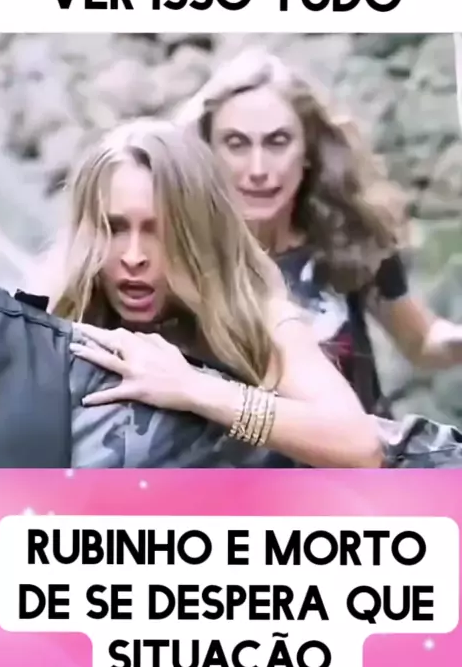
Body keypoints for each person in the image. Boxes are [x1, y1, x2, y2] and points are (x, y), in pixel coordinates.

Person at [37, 118, 383, 469]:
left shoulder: (255, 320)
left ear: (197, 234)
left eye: (159, 230)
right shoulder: (60, 311)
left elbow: (359, 446)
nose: (134, 257)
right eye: (116, 228)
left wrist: (193, 389)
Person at [180, 48, 462, 418]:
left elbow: (422, 341)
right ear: (208, 152)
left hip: (366, 450)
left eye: (278, 142)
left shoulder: (346, 236)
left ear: (308, 150)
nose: (258, 169)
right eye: (236, 144)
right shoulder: (182, 258)